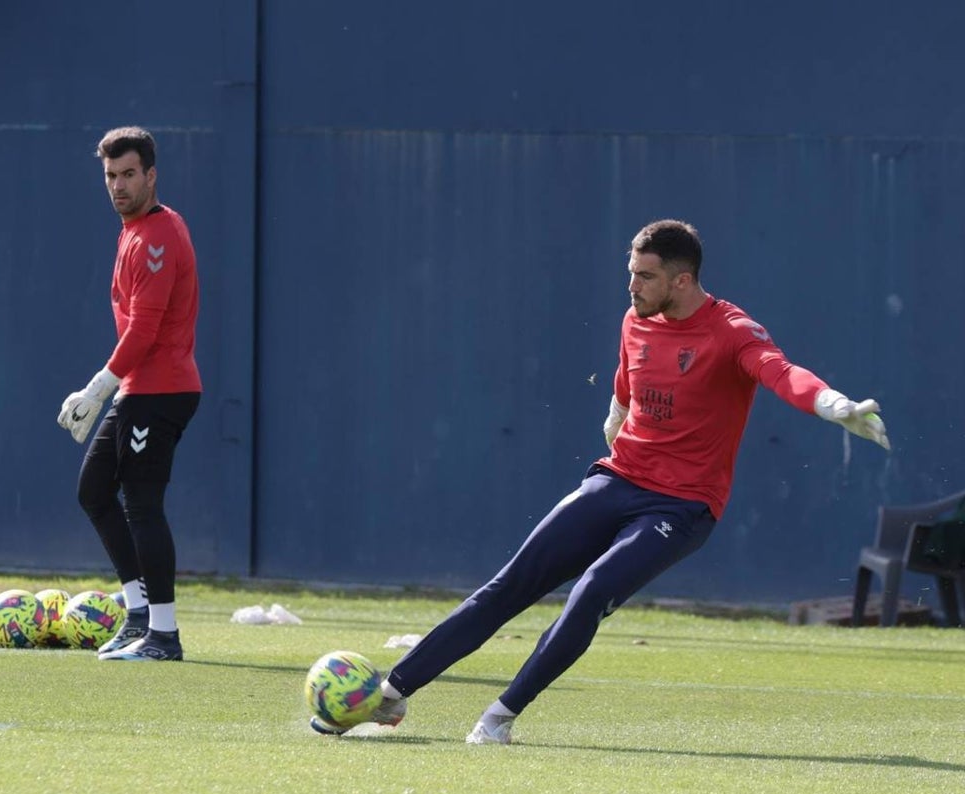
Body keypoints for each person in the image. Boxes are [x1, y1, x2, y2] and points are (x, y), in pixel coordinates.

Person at [312, 219, 890, 742]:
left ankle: (499, 718)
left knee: (589, 593)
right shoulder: (636, 320)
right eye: (630, 273)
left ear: (683, 281)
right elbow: (626, 377)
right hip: (617, 479)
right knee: (509, 585)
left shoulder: (732, 331)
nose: (633, 286)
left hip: (682, 506)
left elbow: (779, 371)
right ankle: (390, 698)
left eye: (645, 275)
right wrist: (616, 414)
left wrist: (830, 403)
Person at [57, 126, 202, 662]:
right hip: (140, 388)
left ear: (151, 175)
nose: (118, 185)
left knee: (141, 504)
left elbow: (145, 328)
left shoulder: (158, 234)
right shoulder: (133, 230)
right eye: (110, 176)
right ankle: (139, 614)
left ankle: (164, 635)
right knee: (94, 490)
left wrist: (97, 388)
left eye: (128, 174)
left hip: (161, 389)